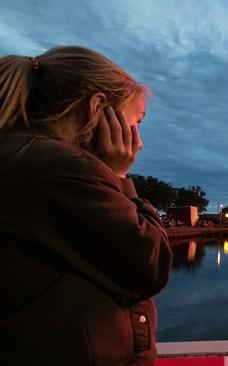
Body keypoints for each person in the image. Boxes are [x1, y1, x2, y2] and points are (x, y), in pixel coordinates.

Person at [0, 47, 172, 365]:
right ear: (98, 109)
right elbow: (151, 263)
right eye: (137, 122)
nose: (141, 141)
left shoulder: (19, 156)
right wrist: (119, 175)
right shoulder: (61, 169)